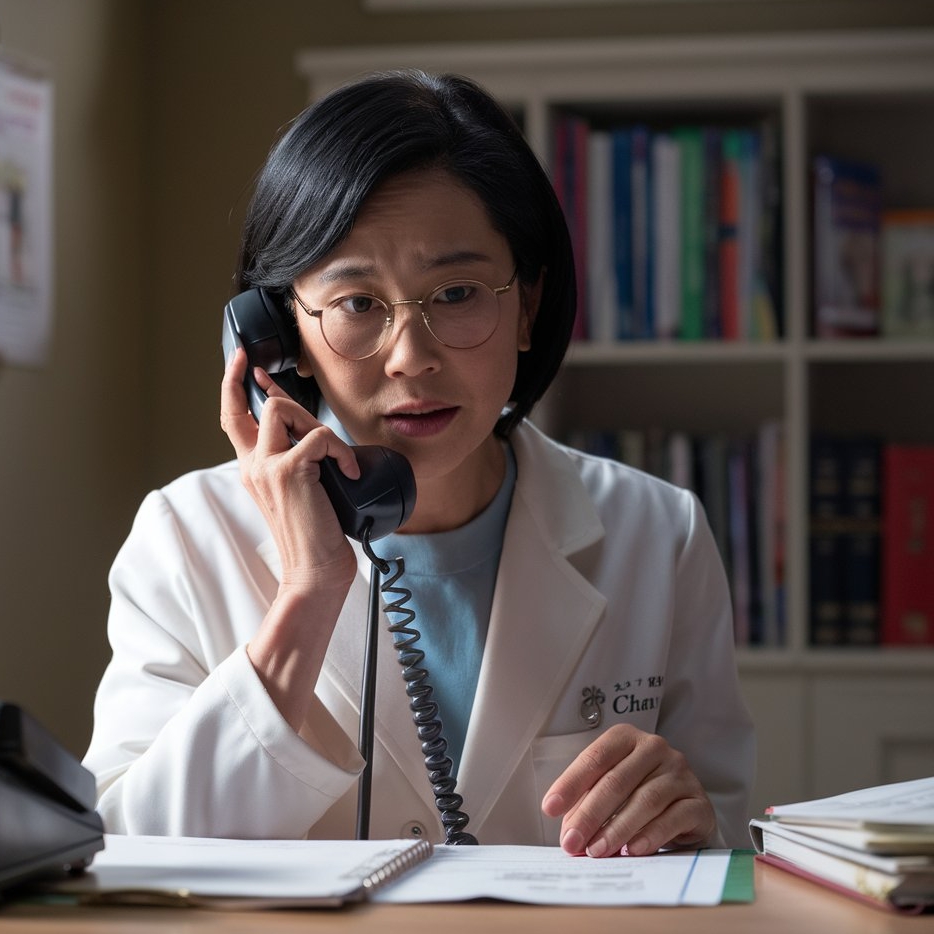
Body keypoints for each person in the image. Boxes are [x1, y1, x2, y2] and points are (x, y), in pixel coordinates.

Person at [83, 69, 755, 856]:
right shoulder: (185, 539)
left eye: (459, 293)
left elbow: (727, 846)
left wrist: (698, 822)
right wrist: (307, 594)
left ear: (528, 307)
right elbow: (125, 853)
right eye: (358, 304)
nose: (411, 358)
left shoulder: (658, 536)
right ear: (277, 337)